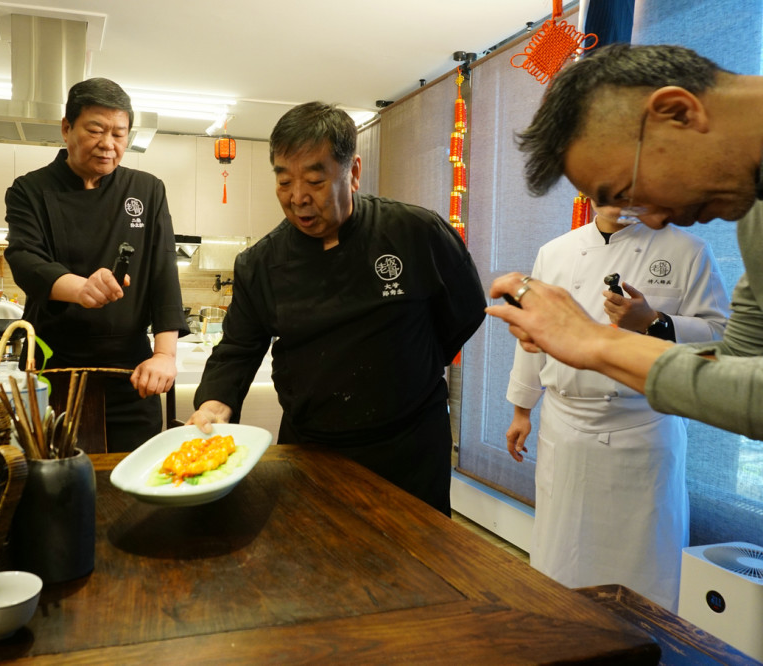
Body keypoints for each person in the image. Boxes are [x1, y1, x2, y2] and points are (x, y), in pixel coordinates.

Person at [187, 102, 487, 514]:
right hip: (312, 448)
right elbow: (238, 349)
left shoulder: (415, 232)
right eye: (284, 181)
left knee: (418, 569)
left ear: (354, 171)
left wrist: (409, 365)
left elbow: (466, 310)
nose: (297, 198)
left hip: (408, 447)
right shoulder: (262, 263)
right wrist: (214, 404)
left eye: (313, 180)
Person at [487, 43, 763, 441]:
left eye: (630, 192)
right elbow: (739, 362)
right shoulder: (752, 213)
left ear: (678, 112)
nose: (652, 220)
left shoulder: (701, 240)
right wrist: (584, 339)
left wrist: (597, 341)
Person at [505, 204, 729, 611]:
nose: (615, 194)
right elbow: (535, 332)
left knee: (646, 569)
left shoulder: (688, 250)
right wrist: (522, 408)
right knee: (561, 563)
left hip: (643, 428)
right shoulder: (554, 252)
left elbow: (722, 337)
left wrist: (654, 320)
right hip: (566, 431)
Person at [5, 77, 188, 453]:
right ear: (66, 128)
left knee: (136, 478)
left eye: (120, 134)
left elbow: (162, 272)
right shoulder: (30, 190)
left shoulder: (147, 190)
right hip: (55, 366)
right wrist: (80, 288)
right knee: (58, 478)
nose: (109, 144)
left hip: (132, 370)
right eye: (96, 130)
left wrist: (165, 354)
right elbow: (25, 259)